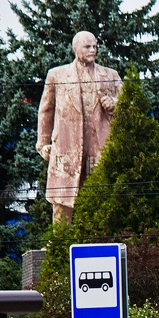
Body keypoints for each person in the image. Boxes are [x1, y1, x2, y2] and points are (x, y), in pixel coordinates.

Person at [36, 31, 122, 224]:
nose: (93, 50)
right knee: (61, 203)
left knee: (99, 202)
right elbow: (46, 110)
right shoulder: (57, 75)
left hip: (98, 149)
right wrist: (42, 144)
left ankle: (98, 243)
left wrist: (115, 104)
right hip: (66, 148)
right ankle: (59, 245)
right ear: (76, 49)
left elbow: (129, 107)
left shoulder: (110, 75)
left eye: (95, 46)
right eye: (88, 46)